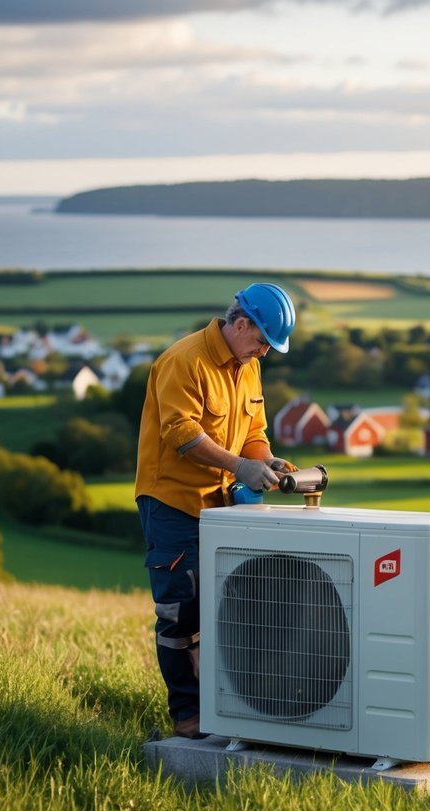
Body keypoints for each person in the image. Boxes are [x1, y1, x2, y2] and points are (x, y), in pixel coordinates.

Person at [134, 283, 296, 739]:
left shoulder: (247, 368)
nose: (264, 352)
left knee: (229, 607)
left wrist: (264, 461)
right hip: (174, 502)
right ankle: (189, 715)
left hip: (223, 506)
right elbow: (179, 434)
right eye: (263, 341)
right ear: (240, 323)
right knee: (180, 612)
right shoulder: (183, 361)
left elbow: (253, 431)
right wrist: (240, 465)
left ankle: (227, 707)